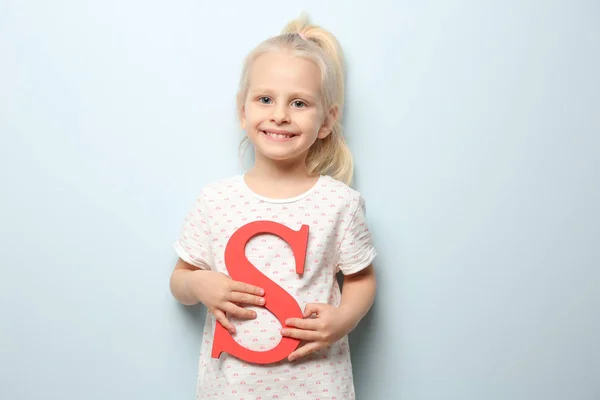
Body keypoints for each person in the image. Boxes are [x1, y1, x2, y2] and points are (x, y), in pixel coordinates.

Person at [169, 14, 378, 399]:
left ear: (327, 120)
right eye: (265, 99)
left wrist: (344, 319)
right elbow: (179, 281)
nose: (280, 114)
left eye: (299, 103)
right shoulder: (215, 200)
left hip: (317, 386)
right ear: (242, 110)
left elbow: (361, 279)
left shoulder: (339, 204)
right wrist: (199, 283)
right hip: (231, 389)